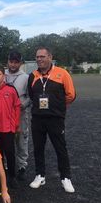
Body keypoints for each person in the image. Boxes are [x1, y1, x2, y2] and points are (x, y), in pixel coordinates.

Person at [28, 47, 76, 193]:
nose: (39, 59)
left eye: (42, 56)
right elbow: (31, 95)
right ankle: (40, 175)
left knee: (60, 148)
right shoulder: (33, 75)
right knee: (38, 148)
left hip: (55, 118)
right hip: (37, 118)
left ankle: (65, 177)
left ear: (50, 57)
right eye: (37, 57)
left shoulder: (62, 73)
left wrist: (57, 107)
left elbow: (71, 95)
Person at [5, 51, 31, 180]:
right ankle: (5, 164)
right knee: (5, 139)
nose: (13, 64)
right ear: (8, 61)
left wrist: (23, 104)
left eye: (16, 62)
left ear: (20, 63)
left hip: (20, 113)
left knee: (21, 138)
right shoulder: (2, 74)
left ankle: (22, 166)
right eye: (11, 61)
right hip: (4, 114)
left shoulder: (26, 77)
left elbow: (30, 96)